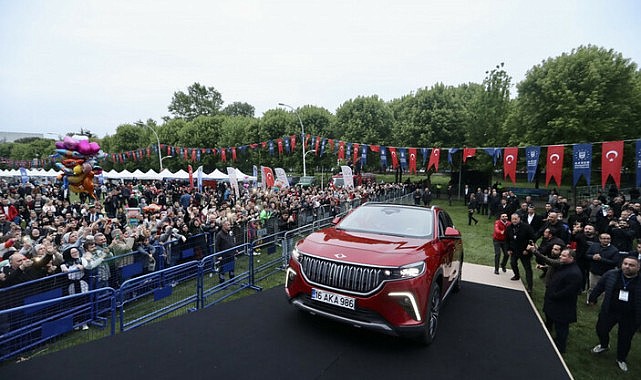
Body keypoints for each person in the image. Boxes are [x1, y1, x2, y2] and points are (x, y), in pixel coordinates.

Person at [589, 256, 641, 372]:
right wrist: (593, 298)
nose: (627, 266)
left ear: (638, 268)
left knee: (625, 338)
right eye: (625, 264)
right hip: (610, 310)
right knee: (601, 329)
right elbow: (600, 286)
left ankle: (621, 358)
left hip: (630, 316)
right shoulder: (612, 274)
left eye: (631, 265)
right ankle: (604, 345)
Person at [540, 248, 583, 353]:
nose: (560, 256)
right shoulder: (564, 266)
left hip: (562, 305)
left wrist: (554, 295)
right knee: (551, 319)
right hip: (553, 300)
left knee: (561, 328)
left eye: (563, 256)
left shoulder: (574, 273)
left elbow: (569, 291)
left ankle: (560, 348)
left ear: (571, 258)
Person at [505, 213, 536, 292]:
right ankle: (516, 275)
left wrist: (527, 249)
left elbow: (533, 238)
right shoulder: (509, 228)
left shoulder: (526, 227)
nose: (514, 221)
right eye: (512, 219)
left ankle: (530, 286)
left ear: (519, 219)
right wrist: (508, 249)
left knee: (527, 268)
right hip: (514, 250)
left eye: (516, 219)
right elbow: (507, 239)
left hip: (524, 251)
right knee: (513, 263)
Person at [585, 233, 620, 300]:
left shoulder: (614, 250)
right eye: (604, 238)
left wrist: (601, 259)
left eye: (608, 239)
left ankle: (602, 303)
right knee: (592, 288)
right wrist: (593, 257)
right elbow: (587, 255)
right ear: (600, 239)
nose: (606, 240)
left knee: (604, 290)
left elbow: (615, 262)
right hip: (594, 272)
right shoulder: (594, 246)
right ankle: (590, 300)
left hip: (606, 273)